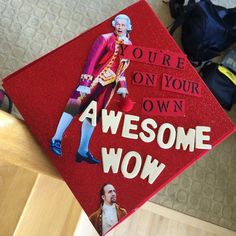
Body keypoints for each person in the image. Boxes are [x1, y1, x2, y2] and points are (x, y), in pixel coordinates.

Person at [50, 14, 133, 164]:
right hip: (93, 81)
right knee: (73, 107)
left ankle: (82, 151)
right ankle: (56, 138)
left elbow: (122, 69)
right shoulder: (105, 38)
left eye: (123, 25)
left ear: (128, 27)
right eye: (118, 24)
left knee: (93, 117)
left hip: (108, 87)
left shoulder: (128, 44)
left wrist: (123, 88)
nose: (120, 27)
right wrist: (85, 83)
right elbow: (91, 61)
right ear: (114, 25)